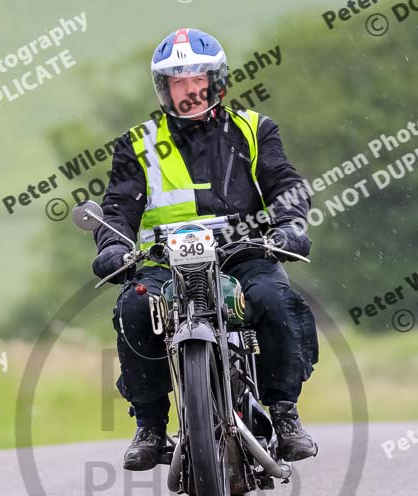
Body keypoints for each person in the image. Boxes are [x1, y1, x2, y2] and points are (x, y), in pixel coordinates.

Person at [92, 28, 319, 471]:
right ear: (164, 88)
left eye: (196, 79)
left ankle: (285, 414)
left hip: (243, 253)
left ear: (217, 81)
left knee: (277, 300)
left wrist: (290, 225)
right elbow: (117, 207)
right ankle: (151, 425)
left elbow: (286, 185)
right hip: (164, 262)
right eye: (177, 82)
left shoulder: (255, 129)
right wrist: (113, 246)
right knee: (135, 308)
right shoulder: (138, 143)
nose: (189, 91)